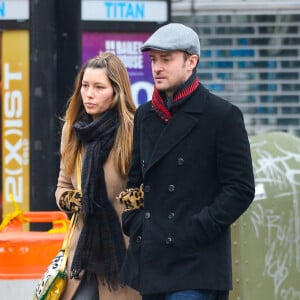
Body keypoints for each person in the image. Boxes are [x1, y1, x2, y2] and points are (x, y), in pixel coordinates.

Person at [117, 23, 255, 300]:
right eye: (153, 59)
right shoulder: (145, 115)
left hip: (197, 263)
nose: (156, 67)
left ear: (191, 62)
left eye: (166, 60)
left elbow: (240, 189)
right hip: (153, 261)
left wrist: (196, 229)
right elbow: (136, 181)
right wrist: (133, 222)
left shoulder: (222, 115)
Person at [55, 52, 141, 300]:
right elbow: (61, 186)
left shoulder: (134, 130)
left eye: (99, 87)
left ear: (116, 91)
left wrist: (133, 201)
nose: (89, 94)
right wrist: (73, 200)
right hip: (81, 254)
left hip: (123, 254)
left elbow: (151, 188)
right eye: (85, 85)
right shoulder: (72, 130)